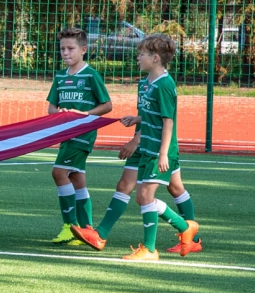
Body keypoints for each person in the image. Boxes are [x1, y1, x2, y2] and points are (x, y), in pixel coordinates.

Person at [75, 34, 199, 259]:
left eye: (141, 54)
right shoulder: (145, 83)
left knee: (146, 195)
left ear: (155, 58)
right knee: (147, 193)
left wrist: (163, 153)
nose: (137, 57)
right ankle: (184, 230)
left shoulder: (164, 84)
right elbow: (150, 115)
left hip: (157, 149)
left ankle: (160, 244)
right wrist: (137, 119)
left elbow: (167, 120)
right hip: (148, 144)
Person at [45, 27, 112, 244]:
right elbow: (51, 109)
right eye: (62, 49)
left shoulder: (91, 75)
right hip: (66, 134)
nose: (65, 53)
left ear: (83, 50)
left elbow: (107, 105)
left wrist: (85, 115)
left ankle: (69, 226)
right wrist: (61, 114)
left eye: (70, 48)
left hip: (83, 133)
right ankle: (86, 229)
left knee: (58, 173)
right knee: (76, 178)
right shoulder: (60, 77)